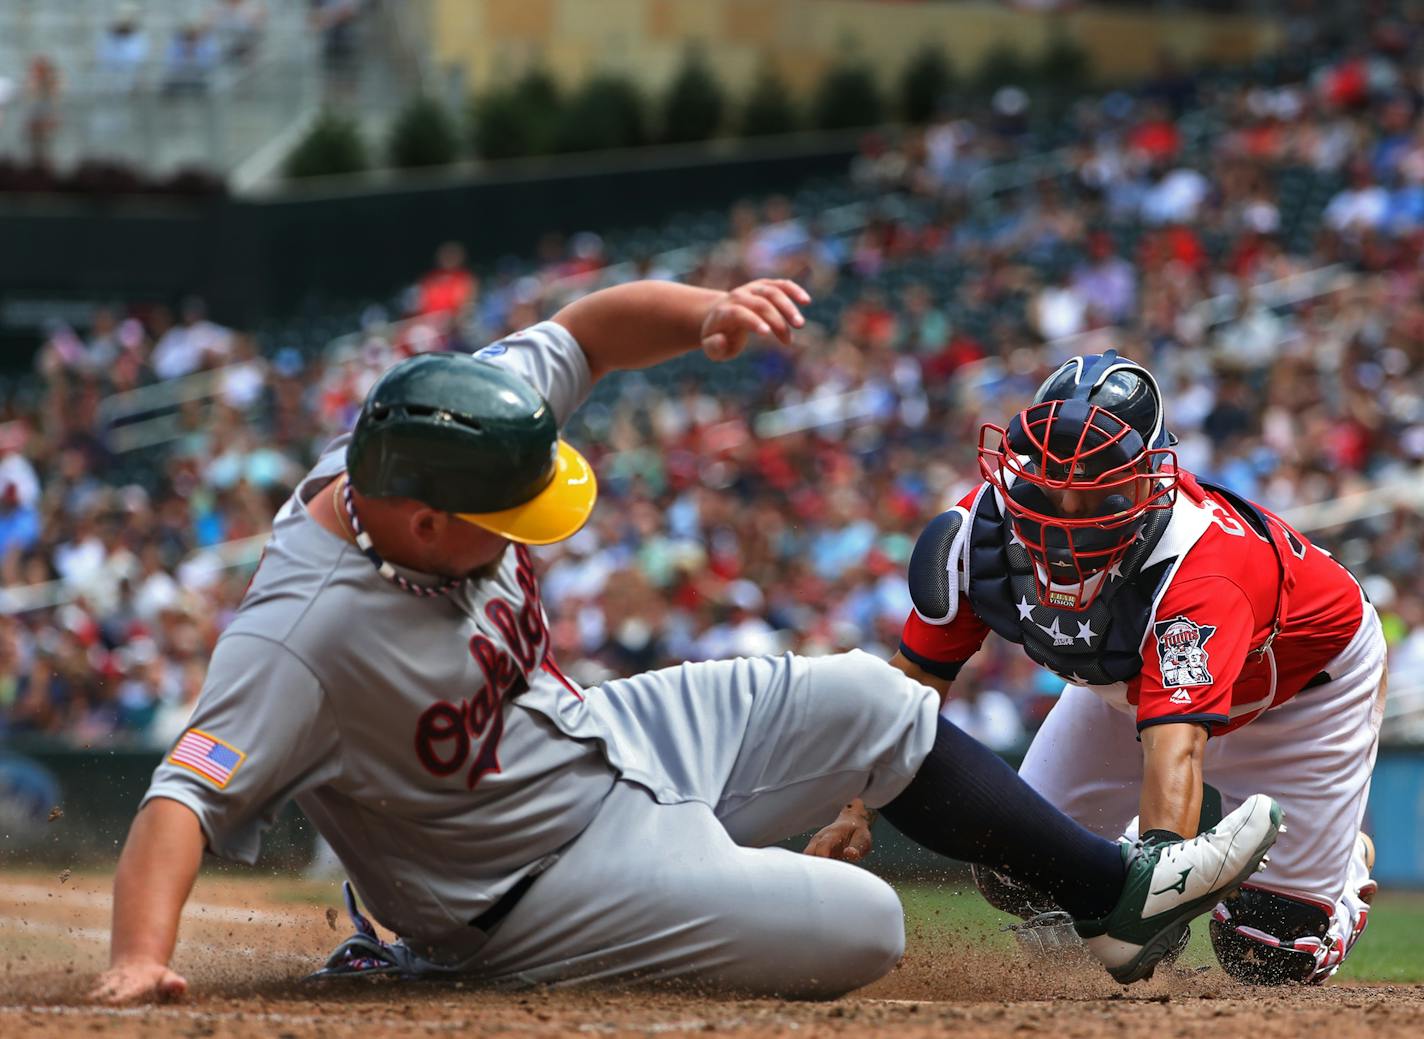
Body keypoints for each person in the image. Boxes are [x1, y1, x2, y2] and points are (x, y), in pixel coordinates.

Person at [92, 286, 1281, 1004]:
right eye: (500, 521)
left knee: (875, 698)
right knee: (865, 926)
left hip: (589, 741)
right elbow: (179, 799)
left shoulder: (455, 423)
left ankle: (1111, 898)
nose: (525, 529)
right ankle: (411, 951)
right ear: (413, 521)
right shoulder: (305, 634)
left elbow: (587, 332)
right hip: (526, 892)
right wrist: (140, 958)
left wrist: (708, 315)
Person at [811, 350, 1383, 985]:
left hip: (1300, 697)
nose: (1065, 504)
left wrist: (1157, 881)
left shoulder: (1202, 565)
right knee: (1017, 867)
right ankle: (1142, 843)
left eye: (1096, 479)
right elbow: (911, 685)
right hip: (1129, 686)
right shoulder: (978, 531)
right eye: (1052, 475)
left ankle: (1341, 876)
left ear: (1150, 480)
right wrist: (854, 811)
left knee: (1272, 957)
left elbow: (1179, 746)